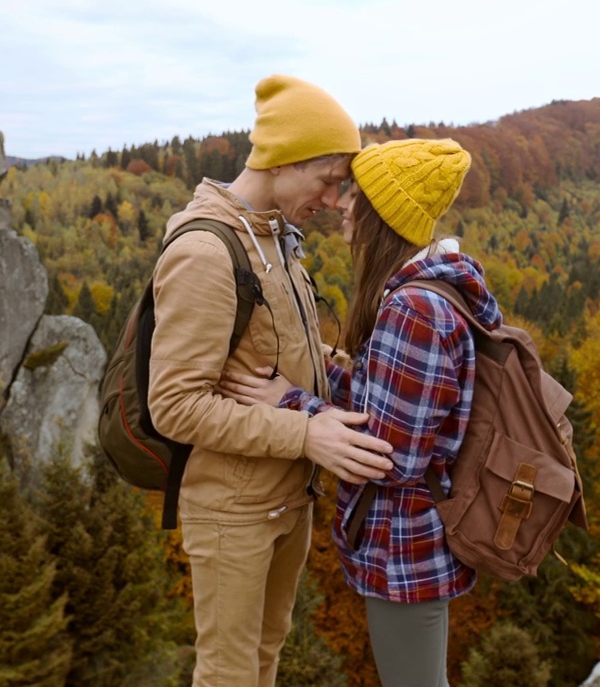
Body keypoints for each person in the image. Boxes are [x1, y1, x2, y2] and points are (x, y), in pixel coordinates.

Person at [217, 138, 502, 687]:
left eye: (357, 194)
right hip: (412, 544)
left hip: (406, 549)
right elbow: (389, 400)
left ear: (384, 215)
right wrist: (318, 367)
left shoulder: (414, 309)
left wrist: (289, 401)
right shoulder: (429, 291)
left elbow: (389, 457)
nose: (342, 204)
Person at [146, 74, 396, 687]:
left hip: (288, 499)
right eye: (330, 180)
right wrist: (306, 435)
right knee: (230, 674)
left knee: (264, 660)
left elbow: (283, 354)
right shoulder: (205, 252)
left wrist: (361, 368)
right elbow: (173, 406)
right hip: (233, 512)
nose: (337, 200)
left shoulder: (276, 236)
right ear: (286, 160)